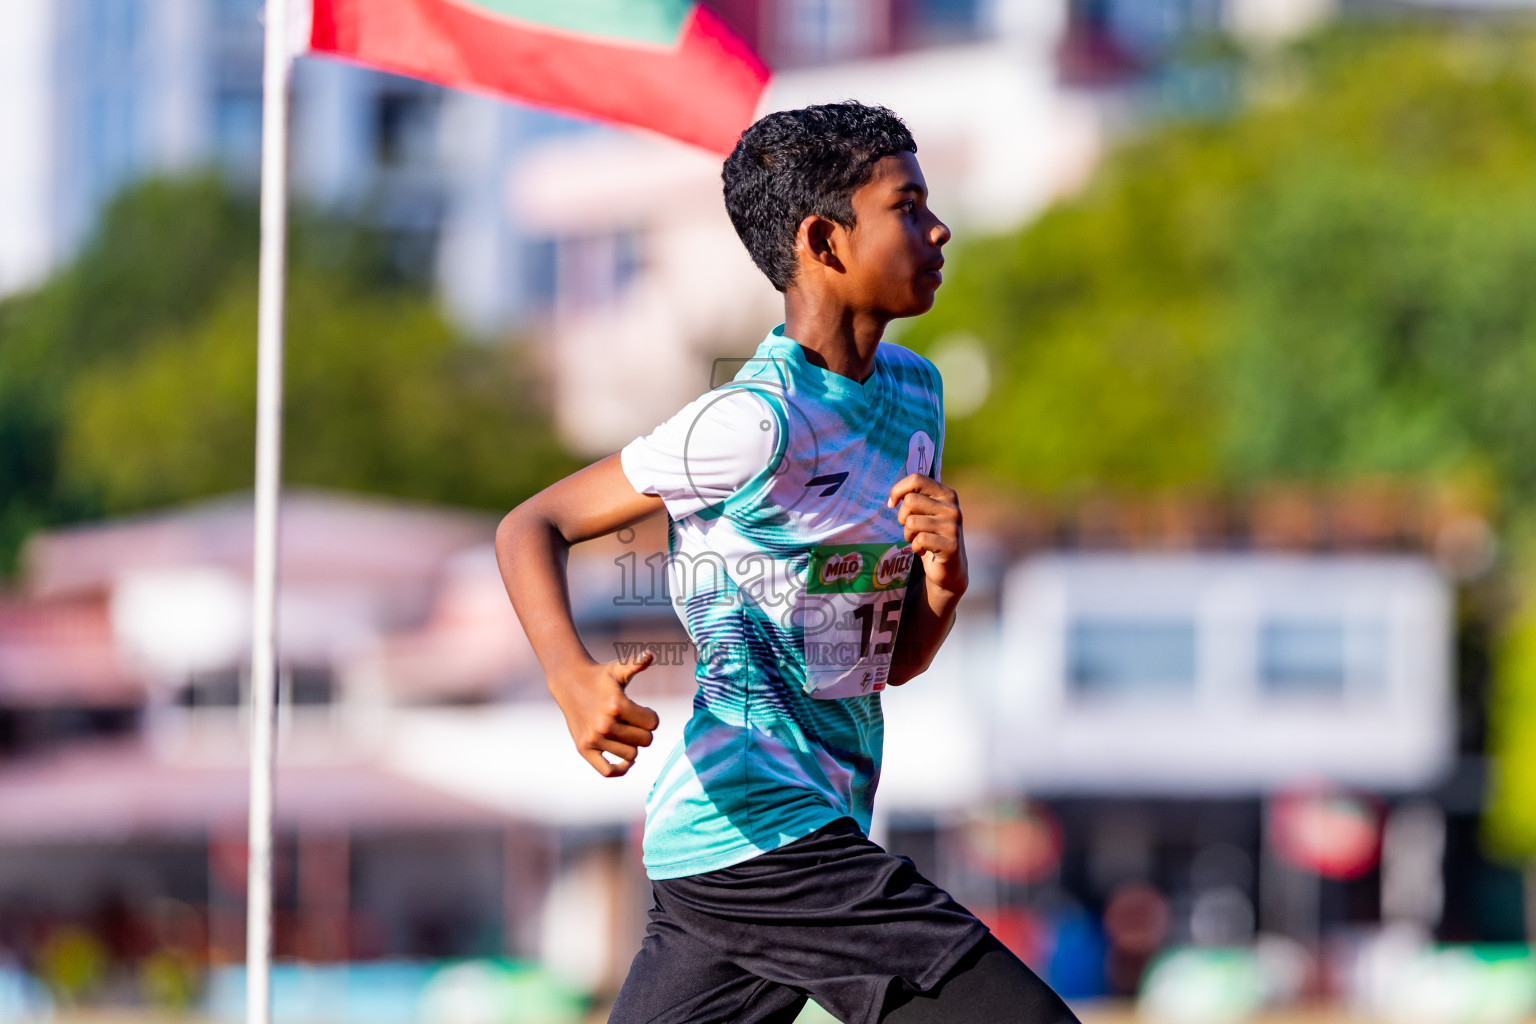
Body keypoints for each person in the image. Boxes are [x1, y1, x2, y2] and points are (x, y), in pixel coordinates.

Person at [495, 102, 1080, 1024]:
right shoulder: (751, 423)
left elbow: (876, 667)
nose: (939, 227)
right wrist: (572, 680)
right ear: (823, 239)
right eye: (908, 205)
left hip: (740, 846)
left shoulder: (915, 394)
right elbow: (533, 524)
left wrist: (943, 586)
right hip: (770, 836)